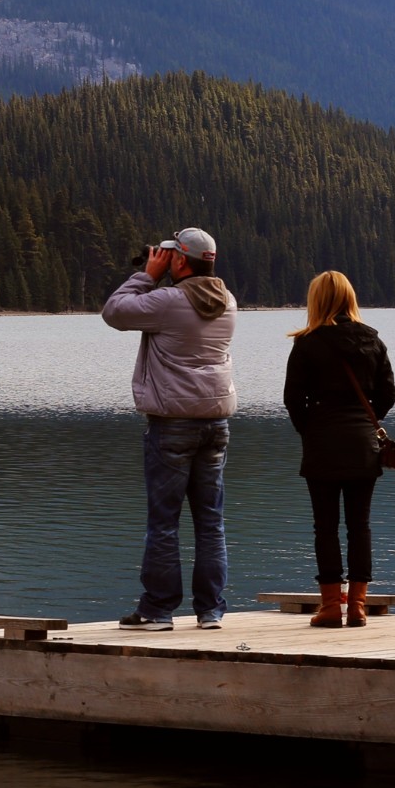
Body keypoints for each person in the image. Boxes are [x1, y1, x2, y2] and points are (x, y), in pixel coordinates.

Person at [100, 227, 238, 630]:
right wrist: (164, 271)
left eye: (169, 255)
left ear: (180, 260)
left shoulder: (167, 301)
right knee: (210, 521)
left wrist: (146, 273)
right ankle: (210, 610)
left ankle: (159, 610)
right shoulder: (227, 300)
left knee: (164, 522)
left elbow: (115, 311)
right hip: (216, 424)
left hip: (173, 425)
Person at [281, 271, 395, 628]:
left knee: (325, 526)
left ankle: (331, 605)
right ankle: (358, 607)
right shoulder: (372, 341)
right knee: (359, 526)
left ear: (316, 301)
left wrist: (311, 429)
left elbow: (292, 399)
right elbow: (388, 394)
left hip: (322, 444)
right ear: (350, 298)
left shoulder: (308, 343)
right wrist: (366, 422)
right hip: (363, 444)